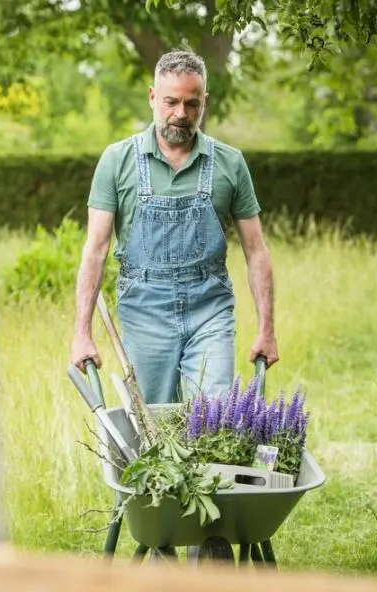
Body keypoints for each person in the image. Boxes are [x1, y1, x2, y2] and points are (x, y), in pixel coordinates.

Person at [70, 49, 278, 405]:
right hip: (144, 309)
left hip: (209, 308)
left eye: (192, 103)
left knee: (214, 421)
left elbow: (256, 250)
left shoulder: (230, 163)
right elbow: (96, 249)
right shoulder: (117, 160)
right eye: (171, 102)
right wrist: (81, 333)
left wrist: (267, 329)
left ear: (205, 102)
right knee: (155, 424)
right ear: (152, 97)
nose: (181, 114)